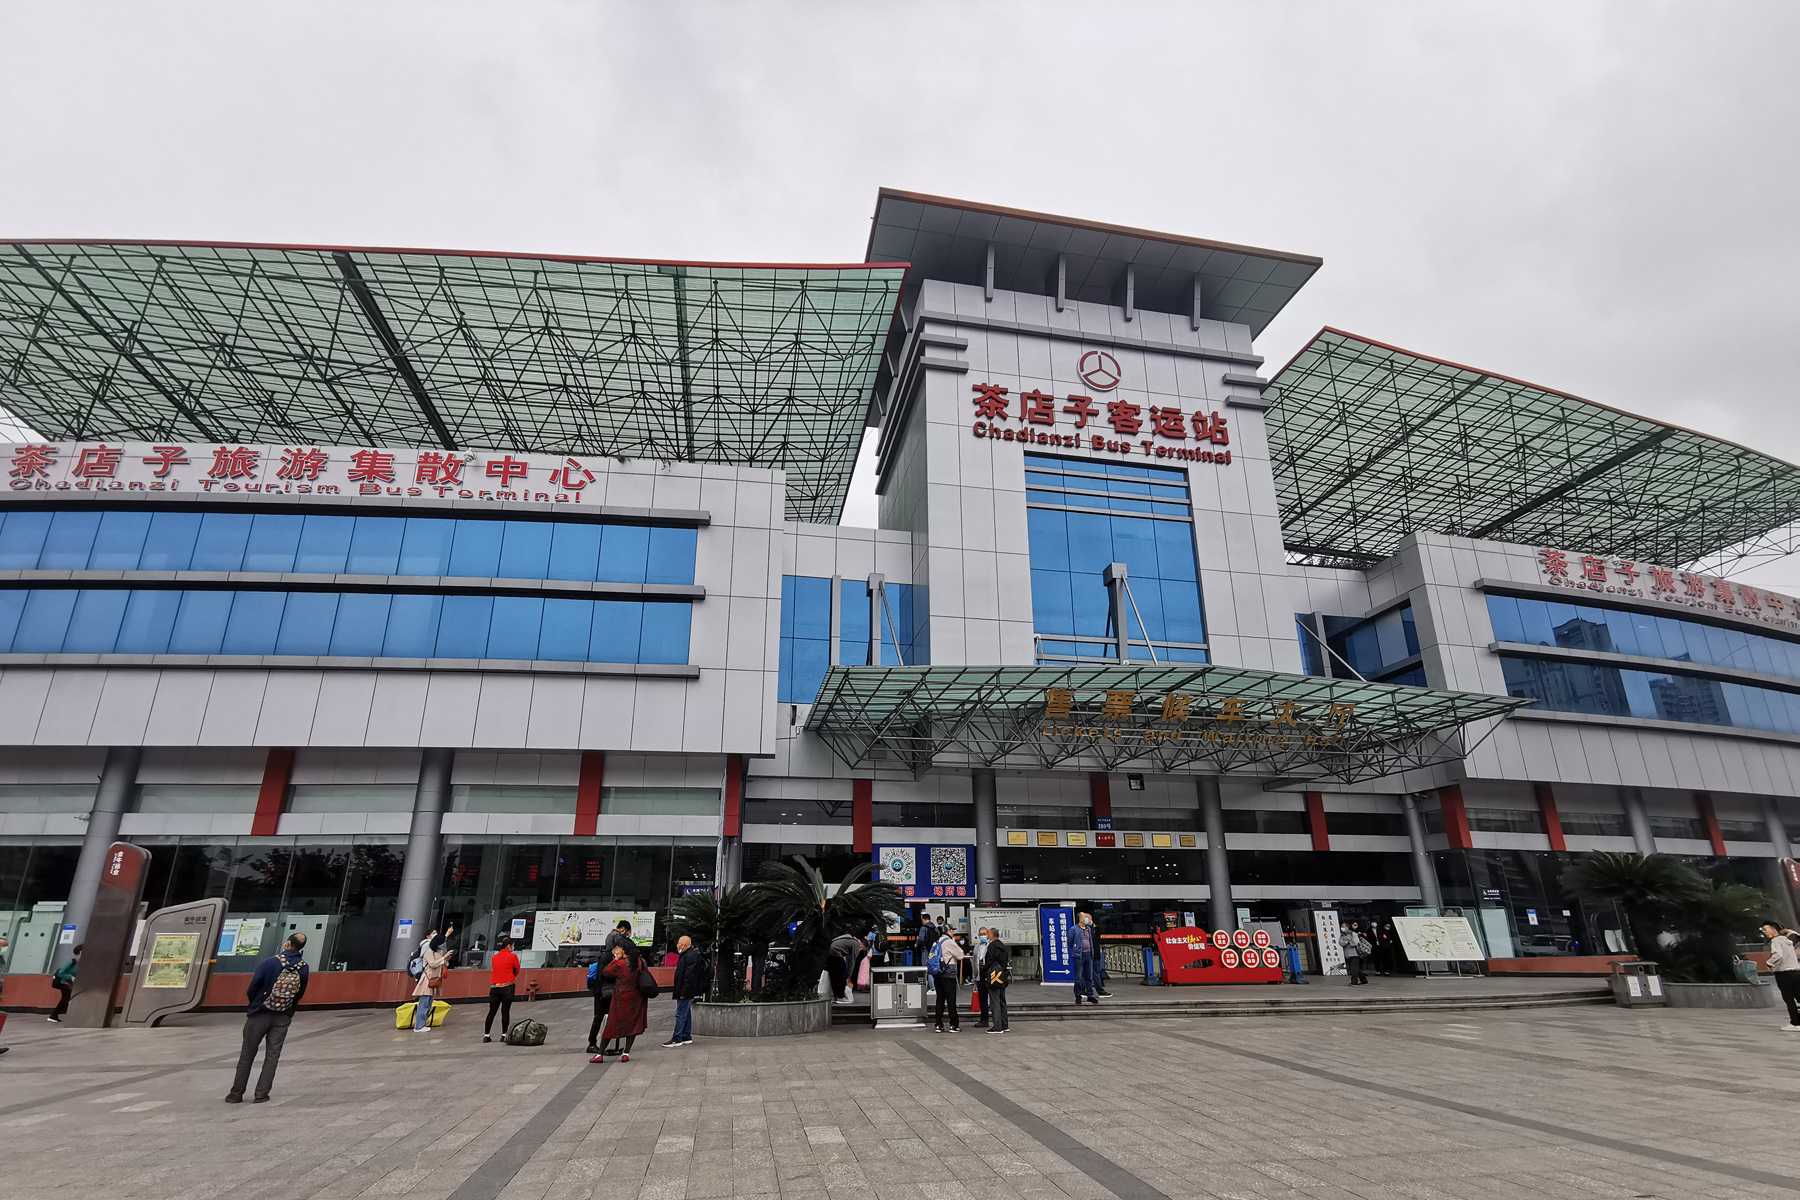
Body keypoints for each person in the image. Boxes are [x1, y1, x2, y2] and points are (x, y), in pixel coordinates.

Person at [226, 932, 309, 1103]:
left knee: (247, 1054)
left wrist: (255, 1005)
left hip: (259, 1014)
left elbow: (253, 988)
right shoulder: (303, 967)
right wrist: (288, 1010)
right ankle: (261, 1094)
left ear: (287, 943)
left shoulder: (270, 962)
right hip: (282, 1016)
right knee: (273, 1055)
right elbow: (300, 993)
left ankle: (236, 1093)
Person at [586, 920, 636, 1053]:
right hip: (606, 990)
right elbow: (607, 974)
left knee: (600, 1016)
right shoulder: (611, 957)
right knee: (606, 1016)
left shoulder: (606, 952)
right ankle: (601, 1044)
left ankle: (595, 1043)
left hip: (601, 990)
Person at [593, 942, 646, 1062]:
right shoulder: (639, 962)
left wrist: (615, 959)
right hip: (636, 998)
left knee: (612, 1024)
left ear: (624, 952)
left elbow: (606, 972)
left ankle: (599, 1054)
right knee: (633, 1025)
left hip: (621, 998)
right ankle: (626, 1053)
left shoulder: (620, 963)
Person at [664, 934, 709, 1048]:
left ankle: (677, 1038)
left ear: (685, 945)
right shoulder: (687, 955)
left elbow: (689, 977)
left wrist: (684, 992)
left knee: (680, 1014)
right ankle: (686, 1036)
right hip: (686, 990)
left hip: (685, 990)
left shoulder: (689, 956)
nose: (678, 945)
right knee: (686, 1013)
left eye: (680, 943)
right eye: (679, 943)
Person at [411, 926, 454, 1032]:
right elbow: (433, 964)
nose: (442, 946)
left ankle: (422, 1024)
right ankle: (419, 1026)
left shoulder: (437, 952)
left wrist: (446, 958)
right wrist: (444, 958)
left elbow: (443, 963)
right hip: (427, 980)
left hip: (433, 980)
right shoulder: (428, 951)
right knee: (424, 1003)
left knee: (428, 1003)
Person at [1761, 921, 1800, 1030]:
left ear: (1773, 929)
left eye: (1765, 929)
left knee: (1789, 999)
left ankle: (1795, 1023)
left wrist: (1769, 963)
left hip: (1784, 974)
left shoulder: (1776, 941)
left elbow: (1778, 955)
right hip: (1796, 972)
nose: (1764, 932)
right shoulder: (1787, 940)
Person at [482, 935, 520, 1043]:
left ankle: (486, 1035)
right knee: (505, 1011)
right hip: (507, 986)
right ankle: (503, 1034)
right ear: (508, 946)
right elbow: (517, 970)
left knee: (492, 1011)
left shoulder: (495, 957)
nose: (513, 948)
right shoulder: (512, 956)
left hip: (494, 987)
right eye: (512, 946)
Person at [930, 925, 966, 1032]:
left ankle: (938, 1024)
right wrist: (954, 942)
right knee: (951, 1000)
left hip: (937, 974)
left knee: (940, 999)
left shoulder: (937, 941)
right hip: (948, 974)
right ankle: (953, 1025)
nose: (953, 932)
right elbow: (960, 955)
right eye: (952, 930)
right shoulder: (949, 942)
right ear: (948, 931)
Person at [982, 928, 1011, 1034]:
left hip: (993, 975)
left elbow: (989, 961)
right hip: (1002, 975)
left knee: (994, 1001)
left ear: (992, 934)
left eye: (988, 933)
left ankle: (997, 1026)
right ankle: (1004, 1025)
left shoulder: (992, 946)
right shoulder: (1002, 946)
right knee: (1002, 1000)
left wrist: (983, 970)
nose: (986, 935)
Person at [1071, 912, 1100, 1005]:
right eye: (1085, 917)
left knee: (1089, 976)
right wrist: (1075, 951)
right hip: (1079, 955)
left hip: (1088, 955)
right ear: (1080, 918)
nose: (1086, 919)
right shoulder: (1074, 929)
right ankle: (1078, 996)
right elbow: (1070, 941)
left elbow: (1092, 940)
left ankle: (1090, 995)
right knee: (1078, 977)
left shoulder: (1088, 929)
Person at [47, 943, 82, 1022]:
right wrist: (70, 977)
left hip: (66, 984)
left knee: (66, 998)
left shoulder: (79, 963)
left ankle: (54, 1015)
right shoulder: (72, 961)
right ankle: (54, 1015)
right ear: (80, 952)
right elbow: (61, 973)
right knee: (66, 998)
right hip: (61, 982)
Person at [829, 932, 862, 1004]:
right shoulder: (856, 944)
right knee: (841, 976)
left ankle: (836, 996)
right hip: (836, 953)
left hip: (829, 952)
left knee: (834, 976)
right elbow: (852, 961)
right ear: (861, 945)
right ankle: (841, 997)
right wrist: (848, 976)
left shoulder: (847, 939)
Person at [973, 927, 992, 1028]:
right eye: (981, 934)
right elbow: (974, 961)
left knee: (993, 998)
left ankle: (997, 1019)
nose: (982, 936)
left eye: (984, 933)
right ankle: (984, 1020)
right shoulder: (976, 946)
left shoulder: (991, 945)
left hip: (989, 974)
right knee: (982, 999)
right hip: (979, 974)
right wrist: (975, 978)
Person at [1341, 920, 1370, 986]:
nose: (1342, 928)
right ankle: (1364, 979)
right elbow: (1340, 942)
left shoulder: (1353, 933)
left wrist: (1348, 941)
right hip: (1347, 954)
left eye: (1343, 926)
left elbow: (1355, 943)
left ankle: (1354, 982)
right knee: (1356, 968)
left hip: (1355, 953)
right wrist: (1345, 942)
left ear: (1347, 927)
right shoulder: (1342, 934)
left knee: (1353, 968)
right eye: (1341, 926)